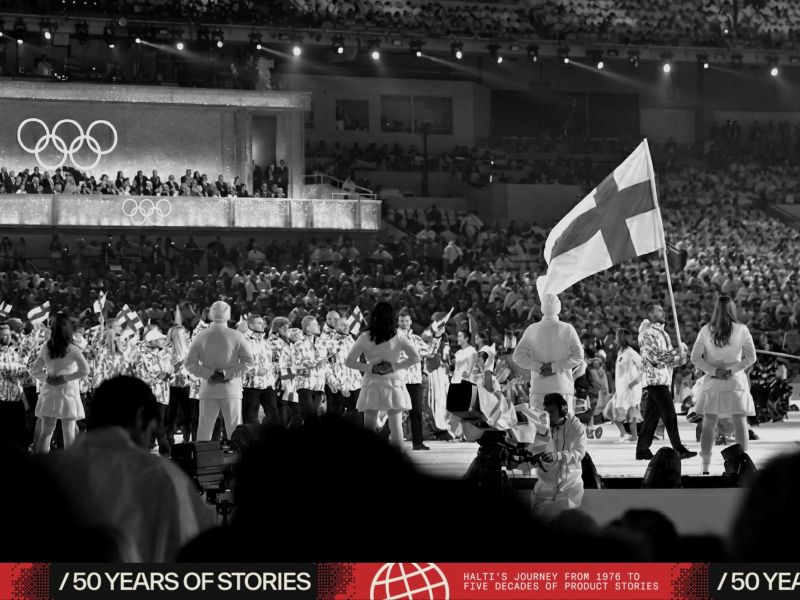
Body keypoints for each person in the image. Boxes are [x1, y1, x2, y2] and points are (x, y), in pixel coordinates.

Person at [47, 376, 216, 562]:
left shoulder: (48, 471)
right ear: (140, 417)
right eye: (151, 432)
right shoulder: (162, 476)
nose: (148, 442)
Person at [691, 296, 756, 474]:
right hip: (735, 382)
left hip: (714, 383)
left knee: (709, 423)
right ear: (733, 309)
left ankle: (705, 466)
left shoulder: (706, 330)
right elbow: (751, 358)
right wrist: (732, 370)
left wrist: (714, 371)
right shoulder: (742, 329)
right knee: (740, 422)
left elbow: (695, 358)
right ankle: (743, 464)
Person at [345, 301, 420, 448]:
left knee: (369, 427)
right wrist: (393, 367)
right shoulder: (398, 335)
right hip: (393, 381)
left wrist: (371, 368)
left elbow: (349, 361)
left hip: (372, 382)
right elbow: (416, 358)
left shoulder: (365, 336)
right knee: (396, 428)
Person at [636, 301, 697, 461]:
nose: (663, 313)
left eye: (662, 310)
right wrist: (677, 353)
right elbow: (654, 357)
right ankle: (678, 448)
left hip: (662, 378)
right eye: (659, 310)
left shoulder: (662, 333)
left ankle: (642, 450)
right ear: (650, 314)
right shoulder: (647, 333)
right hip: (654, 379)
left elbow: (667, 359)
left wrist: (680, 359)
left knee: (651, 417)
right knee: (669, 414)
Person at [186, 301, 254, 441]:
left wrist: (209, 374)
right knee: (234, 430)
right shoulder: (237, 336)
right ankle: (236, 454)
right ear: (228, 315)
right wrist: (227, 374)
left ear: (211, 315)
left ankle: (203, 455)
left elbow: (190, 364)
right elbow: (249, 362)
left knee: (204, 429)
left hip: (208, 387)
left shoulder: (201, 335)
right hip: (231, 388)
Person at [513, 293, 583, 411]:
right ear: (558, 307)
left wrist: (538, 367)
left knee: (539, 422)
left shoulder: (532, 329)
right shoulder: (568, 329)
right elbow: (579, 356)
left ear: (542, 308)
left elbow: (517, 356)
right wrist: (555, 367)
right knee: (564, 422)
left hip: (539, 389)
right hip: (562, 388)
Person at [32, 313, 89, 454]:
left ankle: (40, 464)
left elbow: (35, 370)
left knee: (46, 432)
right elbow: (85, 370)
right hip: (68, 393)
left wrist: (47, 378)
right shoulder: (73, 348)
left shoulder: (46, 346)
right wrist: (65, 378)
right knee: (69, 433)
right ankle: (69, 465)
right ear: (68, 328)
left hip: (50, 391)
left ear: (53, 328)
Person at [532, 393, 587, 519]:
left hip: (570, 486)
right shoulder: (541, 427)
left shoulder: (576, 426)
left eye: (551, 412)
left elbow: (579, 452)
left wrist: (558, 456)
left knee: (563, 522)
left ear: (563, 410)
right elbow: (533, 452)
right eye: (546, 412)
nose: (548, 416)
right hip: (544, 487)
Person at [397, 309, 443, 450]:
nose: (404, 323)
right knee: (395, 412)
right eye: (402, 321)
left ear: (411, 322)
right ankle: (385, 438)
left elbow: (430, 352)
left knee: (416, 412)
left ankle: (417, 443)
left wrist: (437, 337)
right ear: (398, 322)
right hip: (399, 380)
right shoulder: (394, 338)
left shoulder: (415, 339)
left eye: (406, 321)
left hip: (415, 381)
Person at [603, 328, 643, 444]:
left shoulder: (630, 352)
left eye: (616, 337)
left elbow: (643, 366)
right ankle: (625, 434)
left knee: (630, 412)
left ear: (620, 338)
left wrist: (636, 381)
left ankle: (631, 436)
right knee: (609, 411)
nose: (615, 339)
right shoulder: (621, 352)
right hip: (621, 388)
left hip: (631, 388)